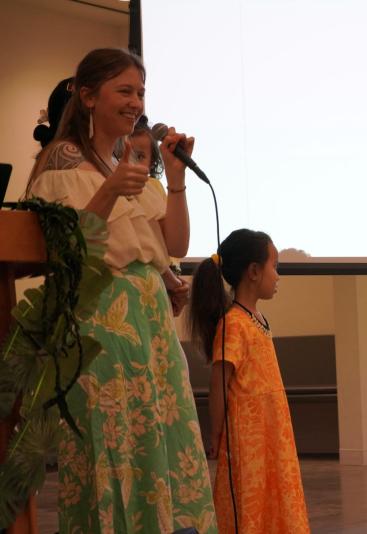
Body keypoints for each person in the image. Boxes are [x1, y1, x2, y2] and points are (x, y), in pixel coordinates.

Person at [25, 48, 216, 533]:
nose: (136, 102)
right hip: (101, 319)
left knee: (159, 442)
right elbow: (68, 249)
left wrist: (175, 179)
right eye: (125, 91)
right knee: (113, 444)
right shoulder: (63, 158)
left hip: (150, 326)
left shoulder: (125, 162)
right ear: (89, 96)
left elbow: (175, 244)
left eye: (141, 93)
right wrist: (109, 190)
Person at [188, 229, 310, 534]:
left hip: (272, 431)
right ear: (254, 271)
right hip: (247, 438)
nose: (278, 276)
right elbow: (219, 383)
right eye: (274, 266)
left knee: (275, 494)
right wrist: (216, 433)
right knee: (249, 500)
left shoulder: (258, 319)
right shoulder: (233, 323)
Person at [130, 114, 189, 316]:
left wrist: (175, 284)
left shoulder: (152, 187)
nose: (131, 163)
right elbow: (146, 243)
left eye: (139, 157)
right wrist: (173, 283)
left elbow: (173, 244)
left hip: (160, 283)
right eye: (122, 154)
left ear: (152, 162)